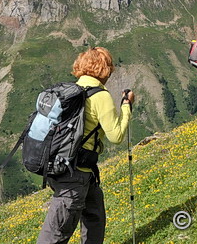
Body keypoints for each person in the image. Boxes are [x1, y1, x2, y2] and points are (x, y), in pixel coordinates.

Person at [37, 47, 135, 244]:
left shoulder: (71, 91)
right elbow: (116, 135)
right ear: (104, 69)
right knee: (57, 232)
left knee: (94, 213)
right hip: (75, 174)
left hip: (66, 167)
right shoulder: (100, 95)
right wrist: (126, 106)